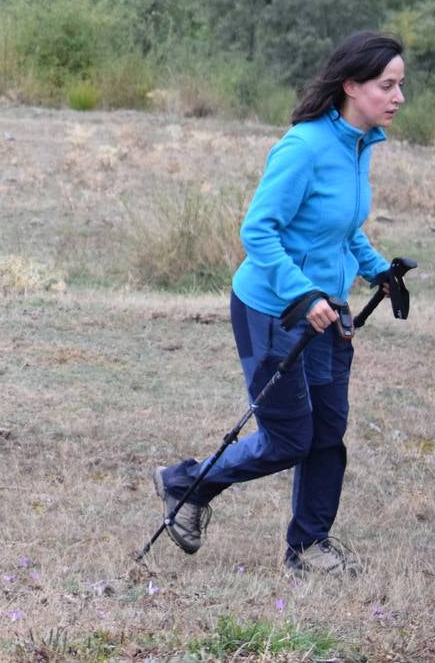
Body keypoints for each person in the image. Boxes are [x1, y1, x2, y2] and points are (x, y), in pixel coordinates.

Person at [153, 31, 407, 574]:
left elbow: (342, 229)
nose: (398, 97)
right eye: (387, 86)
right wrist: (303, 292)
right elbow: (259, 231)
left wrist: (377, 270)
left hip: (326, 312)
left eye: (399, 86)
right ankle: (185, 484)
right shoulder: (305, 147)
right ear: (351, 86)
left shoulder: (360, 145)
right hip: (272, 309)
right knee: (290, 437)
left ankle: (309, 546)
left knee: (328, 433)